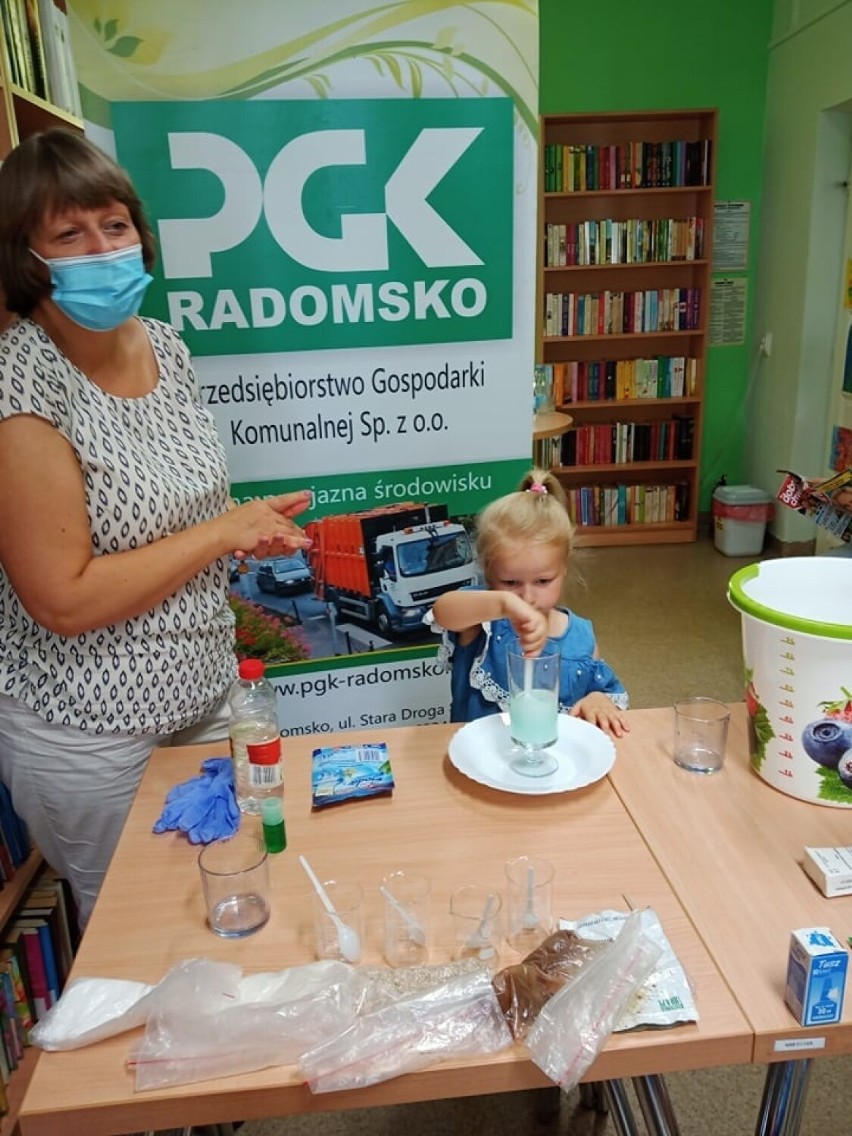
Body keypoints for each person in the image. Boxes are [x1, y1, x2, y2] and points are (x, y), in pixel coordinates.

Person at [0, 128, 311, 929]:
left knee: (231, 894)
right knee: (135, 934)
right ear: (25, 257)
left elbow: (178, 517)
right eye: (69, 233)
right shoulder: (20, 382)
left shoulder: (166, 346)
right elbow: (61, 599)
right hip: (90, 733)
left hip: (204, 695)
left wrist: (242, 534)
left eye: (115, 224)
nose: (103, 248)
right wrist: (216, 536)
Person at [430, 469, 629, 737]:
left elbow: (601, 691)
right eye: (510, 583)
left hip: (548, 767)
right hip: (479, 762)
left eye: (543, 581)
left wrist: (597, 699)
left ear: (564, 569)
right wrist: (502, 604)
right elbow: (443, 611)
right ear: (489, 575)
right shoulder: (482, 621)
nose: (527, 597)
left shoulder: (581, 636)